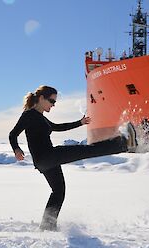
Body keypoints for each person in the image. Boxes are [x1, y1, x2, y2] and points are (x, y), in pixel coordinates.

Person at [9, 85, 137, 231]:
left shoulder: (41, 118)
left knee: (58, 190)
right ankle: (123, 143)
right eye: (51, 101)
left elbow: (58, 127)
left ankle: (47, 226)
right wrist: (16, 149)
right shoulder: (29, 115)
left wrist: (79, 123)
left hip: (47, 160)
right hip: (47, 156)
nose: (53, 105)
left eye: (55, 102)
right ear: (41, 98)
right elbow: (13, 134)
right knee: (87, 150)